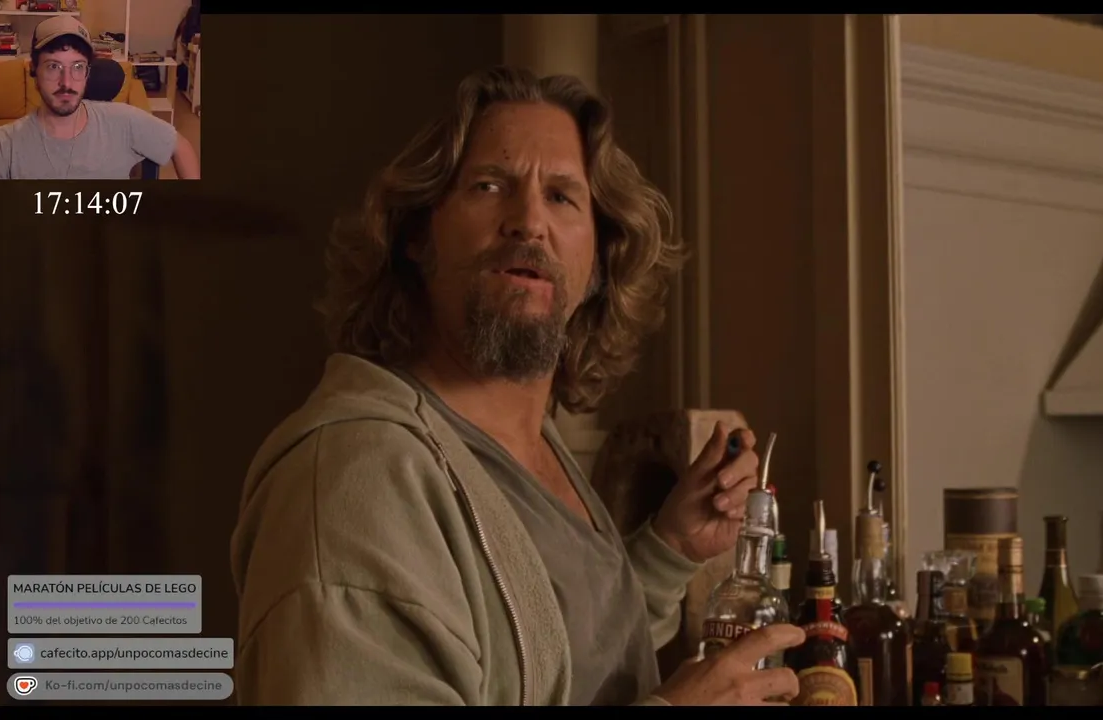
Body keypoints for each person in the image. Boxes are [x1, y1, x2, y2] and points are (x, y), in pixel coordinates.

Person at [229, 66, 805, 706]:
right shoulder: (356, 479)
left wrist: (671, 548)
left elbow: (557, 661)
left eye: (561, 197)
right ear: (417, 235)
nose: (529, 222)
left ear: (598, 262)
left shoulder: (527, 443)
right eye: (488, 186)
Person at [0, 15, 200, 180]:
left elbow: (180, 146)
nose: (66, 82)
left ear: (87, 73)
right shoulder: (4, 144)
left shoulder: (123, 120)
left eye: (78, 66)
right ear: (34, 69)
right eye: (53, 66)